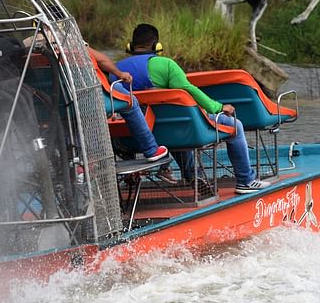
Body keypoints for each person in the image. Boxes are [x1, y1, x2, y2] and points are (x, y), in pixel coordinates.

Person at [111, 24, 269, 194]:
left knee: (174, 128)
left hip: (134, 138)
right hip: (176, 132)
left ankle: (192, 174)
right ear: (157, 45)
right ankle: (246, 180)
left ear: (130, 46)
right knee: (234, 125)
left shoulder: (115, 71)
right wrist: (219, 107)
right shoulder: (165, 65)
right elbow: (188, 90)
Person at [88, 46, 168, 162]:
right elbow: (101, 60)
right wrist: (120, 74)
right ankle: (151, 149)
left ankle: (84, 162)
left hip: (62, 103)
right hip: (94, 96)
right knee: (130, 101)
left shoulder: (53, 50)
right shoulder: (73, 43)